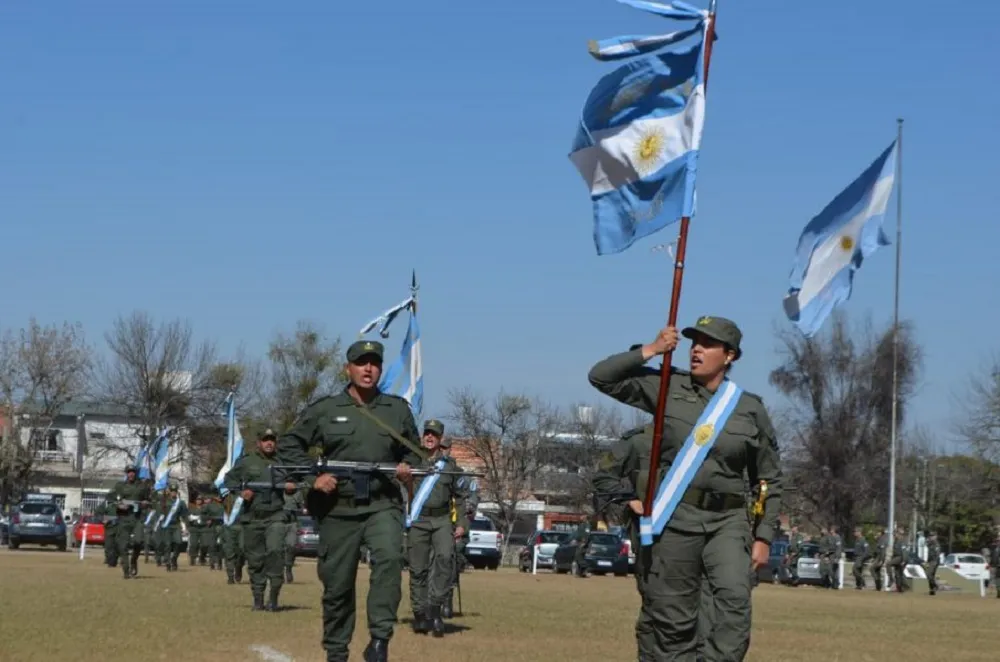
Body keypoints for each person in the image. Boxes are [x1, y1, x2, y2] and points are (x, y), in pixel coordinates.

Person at [587, 316, 783, 662]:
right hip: (676, 519)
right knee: (673, 618)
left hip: (728, 521)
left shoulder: (749, 408)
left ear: (729, 355)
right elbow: (601, 377)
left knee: (733, 604)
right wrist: (652, 349)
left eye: (708, 344)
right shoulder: (666, 387)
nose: (696, 350)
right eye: (694, 343)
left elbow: (769, 479)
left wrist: (764, 536)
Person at [276, 339, 421, 662]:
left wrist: (407, 469)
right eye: (361, 363)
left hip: (382, 504)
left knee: (389, 561)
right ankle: (337, 651)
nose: (368, 369)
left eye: (374, 363)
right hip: (338, 509)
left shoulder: (397, 410)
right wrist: (313, 478)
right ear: (348, 369)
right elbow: (289, 445)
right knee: (338, 585)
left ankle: (380, 640)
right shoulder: (326, 409)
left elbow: (414, 452)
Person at [407, 420, 469, 637]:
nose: (429, 437)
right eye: (427, 433)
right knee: (418, 569)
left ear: (440, 439)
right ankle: (419, 613)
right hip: (419, 520)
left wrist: (462, 523)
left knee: (445, 559)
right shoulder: (413, 461)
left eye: (434, 434)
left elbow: (460, 497)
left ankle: (435, 609)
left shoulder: (450, 467)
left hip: (442, 519)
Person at [224, 428, 291, 611]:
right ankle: (258, 598)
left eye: (272, 440)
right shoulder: (247, 462)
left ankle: (274, 597)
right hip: (252, 518)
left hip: (275, 515)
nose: (269, 443)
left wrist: (291, 487)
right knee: (255, 559)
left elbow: (298, 480)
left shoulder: (283, 462)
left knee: (275, 552)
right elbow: (229, 480)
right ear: (258, 443)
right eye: (265, 440)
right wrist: (241, 492)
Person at [105, 465, 152, 579]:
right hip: (124, 518)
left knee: (138, 541)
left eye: (133, 472)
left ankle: (134, 561)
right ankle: (126, 570)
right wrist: (119, 506)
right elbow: (110, 499)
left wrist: (145, 503)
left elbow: (149, 500)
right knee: (123, 545)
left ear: (136, 473)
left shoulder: (142, 486)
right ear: (126, 473)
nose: (131, 474)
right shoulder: (120, 486)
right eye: (129, 472)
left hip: (137, 518)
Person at [159, 483, 188, 571]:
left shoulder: (181, 503)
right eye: (172, 491)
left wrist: (186, 527)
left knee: (179, 542)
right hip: (166, 525)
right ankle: (168, 562)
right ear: (169, 492)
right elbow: (160, 511)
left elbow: (185, 515)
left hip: (176, 525)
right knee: (167, 545)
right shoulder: (164, 501)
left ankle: (174, 558)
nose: (173, 493)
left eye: (175, 491)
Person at [283, 482, 306, 583]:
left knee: (291, 545)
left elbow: (302, 506)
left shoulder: (298, 494)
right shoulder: (278, 492)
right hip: (279, 522)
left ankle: (288, 567)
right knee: (276, 548)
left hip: (292, 523)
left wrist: (302, 509)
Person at [925, 531, 940, 595]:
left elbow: (937, 554)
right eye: (930, 536)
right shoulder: (930, 544)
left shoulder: (936, 544)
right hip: (930, 561)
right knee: (931, 575)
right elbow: (928, 552)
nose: (931, 537)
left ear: (936, 536)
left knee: (929, 574)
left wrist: (935, 562)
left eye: (932, 536)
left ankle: (935, 586)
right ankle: (932, 589)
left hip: (934, 561)